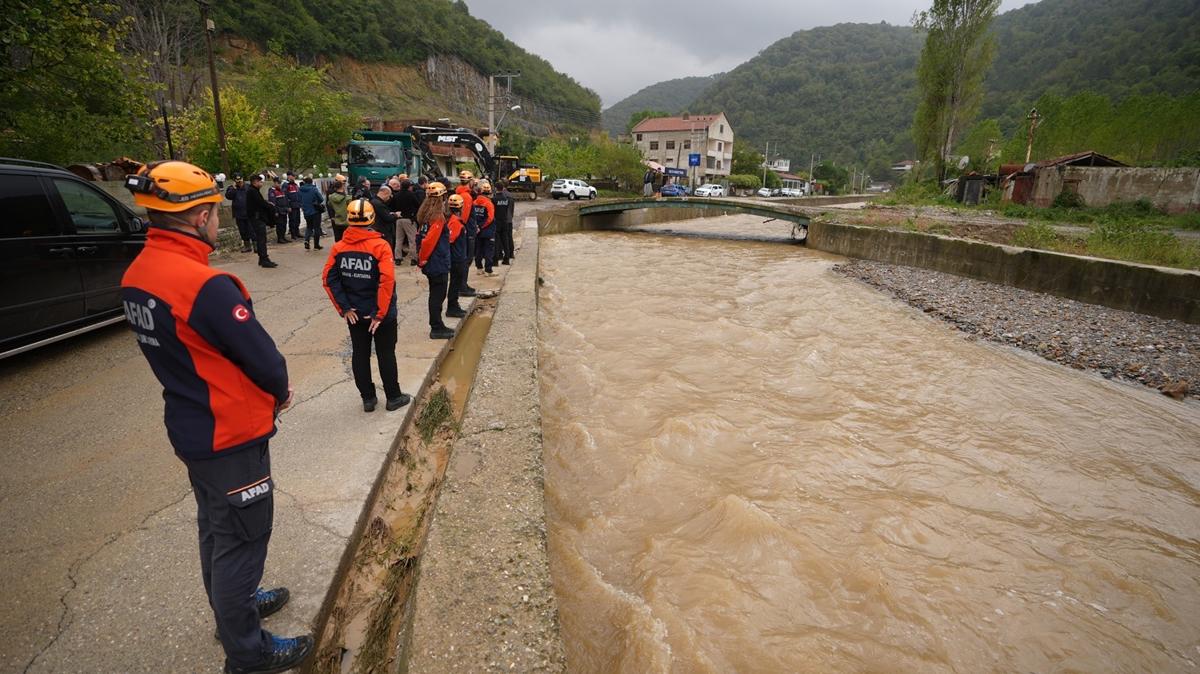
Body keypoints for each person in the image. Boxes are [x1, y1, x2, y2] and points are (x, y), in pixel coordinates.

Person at [119, 160, 311, 674]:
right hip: (229, 433)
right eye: (213, 211)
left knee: (216, 527)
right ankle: (248, 654)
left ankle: (234, 610)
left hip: (191, 423)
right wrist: (280, 391)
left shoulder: (139, 273)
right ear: (199, 215)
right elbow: (265, 359)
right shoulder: (204, 285)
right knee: (242, 541)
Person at [321, 199, 412, 413]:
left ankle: (368, 399)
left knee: (360, 354)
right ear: (371, 218)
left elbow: (329, 280)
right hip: (380, 314)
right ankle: (393, 397)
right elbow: (386, 281)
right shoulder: (380, 246)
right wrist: (379, 314)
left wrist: (345, 308)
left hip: (356, 313)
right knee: (386, 353)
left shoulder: (338, 248)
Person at [415, 182, 454, 339]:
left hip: (432, 262)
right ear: (442, 197)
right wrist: (423, 259)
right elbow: (428, 241)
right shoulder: (438, 218)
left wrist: (421, 258)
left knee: (435, 294)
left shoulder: (424, 215)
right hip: (436, 262)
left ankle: (437, 324)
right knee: (438, 295)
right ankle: (436, 327)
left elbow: (419, 237)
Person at [444, 192, 469, 321]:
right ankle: (452, 307)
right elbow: (450, 239)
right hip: (457, 258)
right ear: (460, 207)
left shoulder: (453, 220)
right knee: (455, 283)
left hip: (458, 256)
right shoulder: (455, 222)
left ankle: (454, 305)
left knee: (456, 282)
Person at [245, 174, 279, 268]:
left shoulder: (254, 190)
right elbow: (260, 203)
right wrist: (270, 205)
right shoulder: (252, 191)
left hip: (257, 218)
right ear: (255, 182)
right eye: (260, 181)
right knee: (261, 239)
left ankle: (262, 258)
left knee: (261, 238)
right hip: (257, 218)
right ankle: (264, 259)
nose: (261, 183)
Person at [393, 179, 420, 265]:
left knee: (399, 239)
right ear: (409, 186)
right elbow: (418, 205)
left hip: (399, 219)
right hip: (409, 219)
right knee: (412, 239)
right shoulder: (411, 195)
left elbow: (392, 206)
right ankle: (414, 259)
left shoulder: (396, 195)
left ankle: (398, 258)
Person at [472, 180, 497, 274]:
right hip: (487, 230)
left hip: (477, 230)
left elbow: (473, 216)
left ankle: (479, 268)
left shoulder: (474, 202)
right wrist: (482, 226)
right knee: (489, 251)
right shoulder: (488, 203)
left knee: (478, 249)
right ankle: (488, 270)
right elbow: (490, 218)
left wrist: (477, 226)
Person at [224, 174, 252, 253]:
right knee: (243, 231)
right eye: (237, 180)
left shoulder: (248, 187)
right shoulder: (232, 188)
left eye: (240, 180)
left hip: (249, 212)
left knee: (251, 229)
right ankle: (247, 246)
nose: (239, 182)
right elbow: (228, 196)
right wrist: (234, 188)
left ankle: (256, 245)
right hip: (239, 214)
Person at [369, 184, 397, 254]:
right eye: (389, 195)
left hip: (376, 229)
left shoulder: (372, 201)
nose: (389, 198)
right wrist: (396, 215)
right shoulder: (379, 204)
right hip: (382, 231)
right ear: (385, 193)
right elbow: (387, 218)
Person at [298, 176, 324, 250]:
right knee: (316, 228)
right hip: (315, 211)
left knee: (309, 227)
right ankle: (316, 245)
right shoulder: (314, 189)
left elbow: (299, 199)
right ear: (311, 182)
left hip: (306, 211)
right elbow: (321, 199)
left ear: (304, 182)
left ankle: (306, 240)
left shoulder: (300, 190)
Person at [493, 181, 514, 265]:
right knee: (505, 240)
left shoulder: (494, 199)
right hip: (505, 221)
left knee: (497, 241)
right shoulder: (506, 199)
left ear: (495, 188)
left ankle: (496, 260)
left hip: (497, 221)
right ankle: (507, 259)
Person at [326, 176, 350, 242]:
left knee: (338, 238)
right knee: (346, 239)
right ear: (342, 186)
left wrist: (332, 217)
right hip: (346, 221)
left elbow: (329, 205)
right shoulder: (348, 198)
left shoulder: (330, 196)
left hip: (336, 220)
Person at [268, 177, 290, 243]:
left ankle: (283, 237)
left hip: (284, 210)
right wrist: (276, 211)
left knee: (284, 224)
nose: (279, 185)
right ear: (274, 183)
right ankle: (280, 238)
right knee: (279, 225)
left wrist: (287, 207)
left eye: (280, 184)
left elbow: (285, 200)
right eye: (278, 183)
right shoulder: (272, 191)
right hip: (279, 211)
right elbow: (273, 203)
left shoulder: (281, 190)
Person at [284, 172, 302, 240]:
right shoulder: (286, 185)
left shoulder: (295, 185)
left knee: (298, 220)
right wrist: (288, 206)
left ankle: (297, 233)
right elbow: (285, 196)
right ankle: (293, 234)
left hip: (297, 205)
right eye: (292, 176)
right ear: (289, 176)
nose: (294, 177)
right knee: (292, 220)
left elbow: (298, 195)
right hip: (291, 205)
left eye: (294, 176)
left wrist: (300, 203)